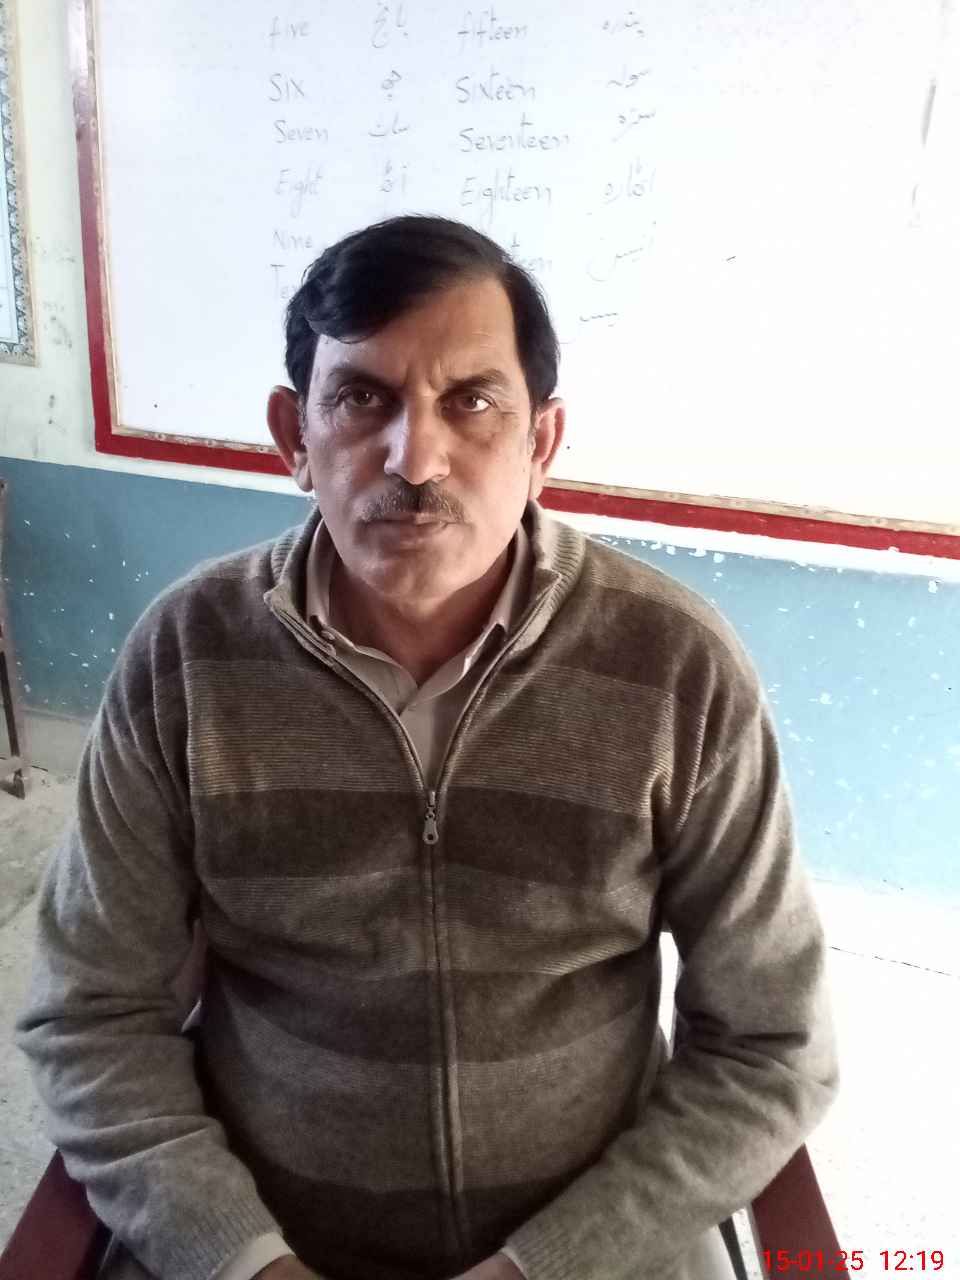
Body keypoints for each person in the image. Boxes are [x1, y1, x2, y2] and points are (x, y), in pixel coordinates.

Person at [16, 215, 837, 1280]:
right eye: (362, 399)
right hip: (267, 1236)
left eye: (473, 402)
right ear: (293, 436)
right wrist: (244, 1258)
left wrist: (540, 1267)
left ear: (542, 444)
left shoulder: (675, 666)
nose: (415, 458)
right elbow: (91, 1014)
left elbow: (771, 1044)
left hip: (593, 1247)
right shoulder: (187, 656)